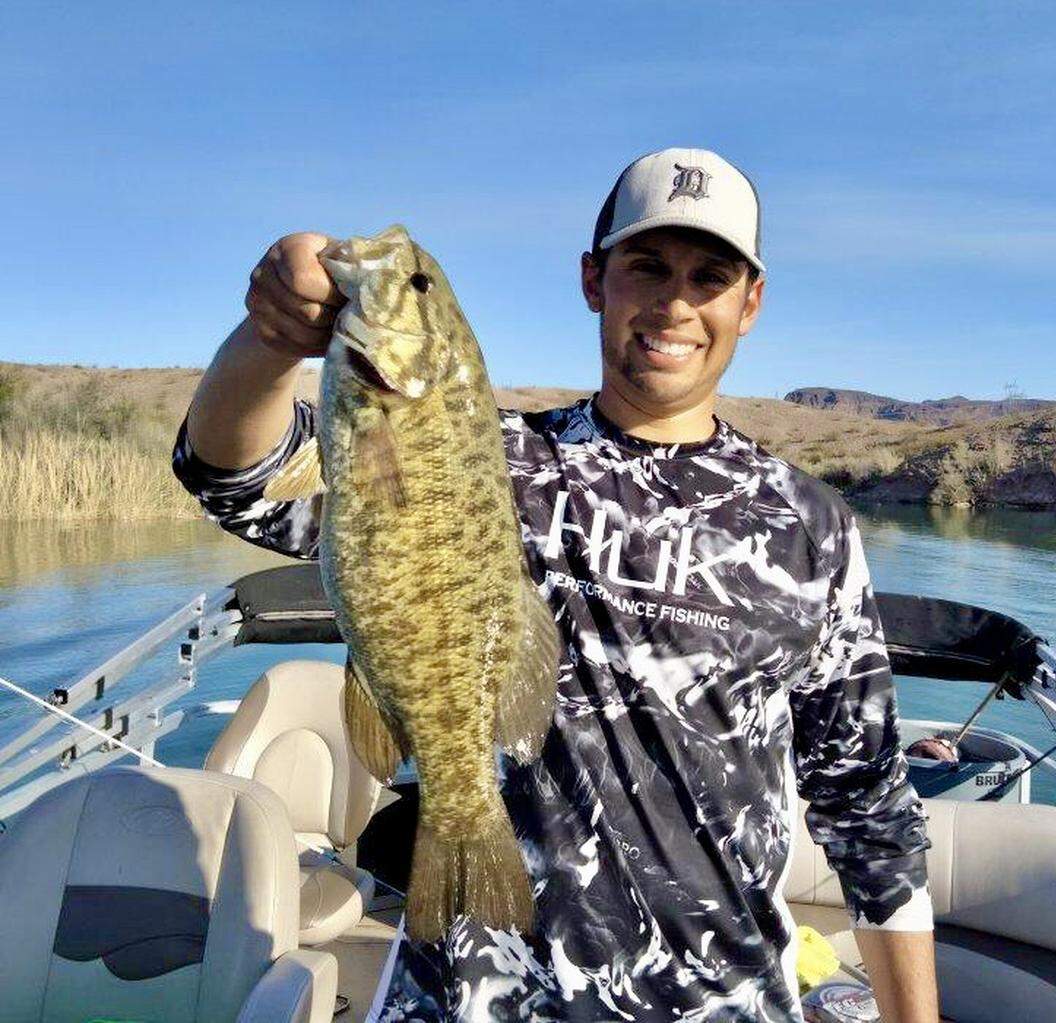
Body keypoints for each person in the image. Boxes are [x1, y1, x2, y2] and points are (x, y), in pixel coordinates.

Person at [173, 147, 939, 1022]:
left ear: (749, 303)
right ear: (593, 280)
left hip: (722, 1001)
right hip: (476, 995)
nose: (676, 302)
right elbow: (236, 477)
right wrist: (272, 339)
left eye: (709, 276)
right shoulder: (483, 457)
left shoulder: (811, 526)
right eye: (647, 265)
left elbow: (866, 804)